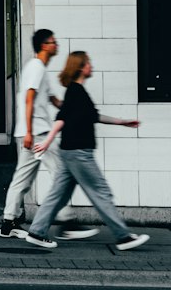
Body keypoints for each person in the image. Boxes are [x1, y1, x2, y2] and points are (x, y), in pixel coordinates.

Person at [24, 51, 148, 252]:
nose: (92, 65)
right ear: (81, 67)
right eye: (88, 62)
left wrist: (122, 122)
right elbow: (61, 119)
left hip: (70, 152)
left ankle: (37, 232)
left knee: (58, 195)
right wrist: (47, 141)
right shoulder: (76, 91)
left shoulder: (77, 92)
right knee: (101, 192)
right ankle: (123, 236)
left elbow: (93, 116)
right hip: (79, 153)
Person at [0, 29, 63, 239]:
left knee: (23, 179)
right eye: (53, 42)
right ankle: (67, 222)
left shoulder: (40, 69)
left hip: (34, 131)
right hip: (37, 133)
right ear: (44, 45)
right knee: (61, 173)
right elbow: (29, 99)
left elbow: (54, 100)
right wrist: (28, 131)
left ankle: (9, 222)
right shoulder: (36, 67)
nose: (56, 45)